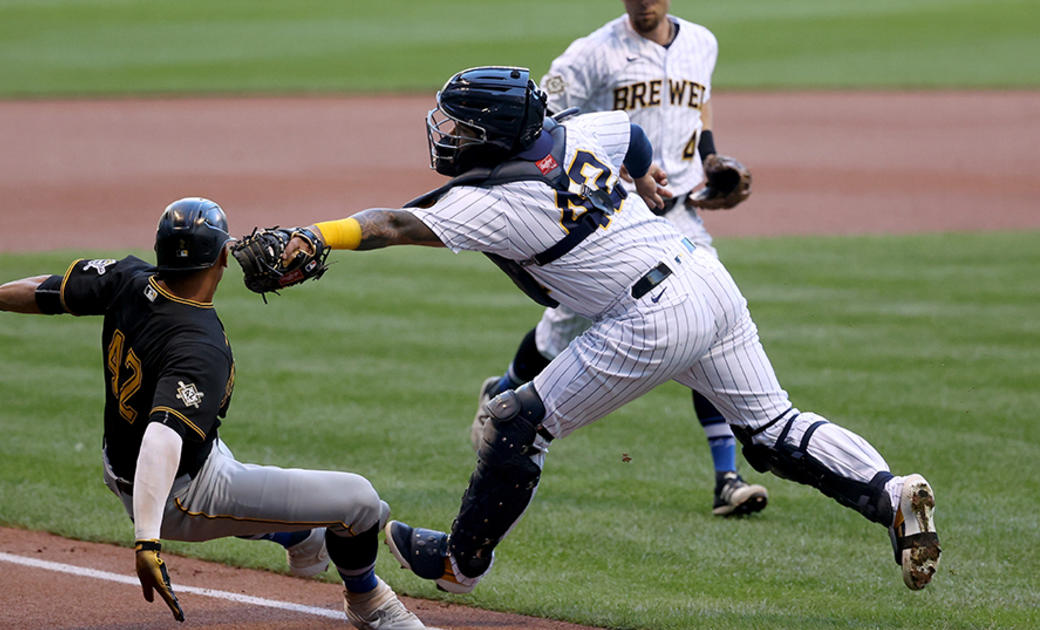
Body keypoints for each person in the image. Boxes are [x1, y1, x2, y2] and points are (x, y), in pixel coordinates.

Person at [273, 67, 941, 595]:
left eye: (459, 125)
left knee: (515, 421)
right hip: (704, 275)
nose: (446, 134)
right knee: (773, 429)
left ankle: (458, 564)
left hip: (650, 316)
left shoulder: (500, 202)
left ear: (494, 133)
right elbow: (633, 135)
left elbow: (393, 224)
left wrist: (312, 234)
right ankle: (890, 493)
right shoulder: (574, 131)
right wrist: (648, 182)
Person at [0, 198, 424, 630]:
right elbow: (161, 440)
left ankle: (300, 537)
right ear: (223, 259)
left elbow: (49, 289)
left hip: (135, 459)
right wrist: (148, 540)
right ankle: (368, 602)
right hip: (174, 492)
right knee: (361, 504)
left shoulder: (127, 277)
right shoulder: (199, 348)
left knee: (251, 483)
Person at [469, 0, 766, 517]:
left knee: (708, 324)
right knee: (559, 329)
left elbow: (701, 108)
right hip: (613, 220)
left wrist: (711, 156)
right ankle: (503, 392)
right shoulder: (592, 53)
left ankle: (727, 477)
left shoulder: (702, 42)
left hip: (677, 216)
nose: (642, 3)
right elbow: (541, 113)